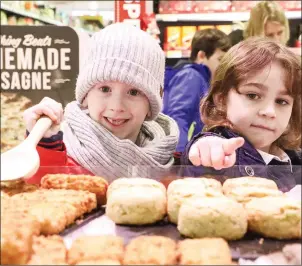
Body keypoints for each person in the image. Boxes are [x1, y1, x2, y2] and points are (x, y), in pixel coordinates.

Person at [23, 23, 179, 183]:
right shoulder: (59, 147)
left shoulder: (169, 157)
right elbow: (39, 195)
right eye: (105, 89)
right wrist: (43, 144)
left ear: (151, 104)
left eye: (134, 92)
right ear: (85, 96)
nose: (116, 107)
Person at [182, 37, 301, 192]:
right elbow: (203, 151)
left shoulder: (292, 158)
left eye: (281, 101)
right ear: (222, 100)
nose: (269, 112)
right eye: (253, 95)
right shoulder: (223, 151)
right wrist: (207, 149)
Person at [162, 29, 231, 163]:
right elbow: (178, 115)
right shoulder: (191, 76)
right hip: (183, 155)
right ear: (201, 56)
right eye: (220, 59)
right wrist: (179, 156)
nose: (224, 66)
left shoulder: (202, 78)